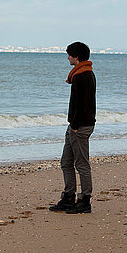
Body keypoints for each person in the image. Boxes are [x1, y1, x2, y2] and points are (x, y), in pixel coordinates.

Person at [49, 42, 96, 214]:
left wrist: (75, 126)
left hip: (80, 126)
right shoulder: (83, 73)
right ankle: (68, 197)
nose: (67, 57)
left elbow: (81, 104)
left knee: (82, 164)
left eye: (69, 54)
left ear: (76, 56)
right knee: (66, 162)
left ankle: (84, 200)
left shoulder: (83, 75)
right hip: (76, 125)